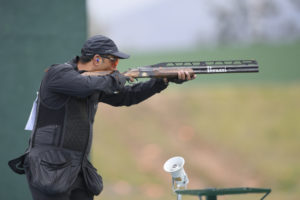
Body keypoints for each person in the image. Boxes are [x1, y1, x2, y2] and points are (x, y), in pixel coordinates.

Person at [9, 35, 195, 200]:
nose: (116, 67)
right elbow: (85, 85)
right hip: (49, 168)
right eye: (113, 62)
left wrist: (161, 82)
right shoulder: (59, 73)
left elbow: (128, 96)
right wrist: (119, 78)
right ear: (96, 59)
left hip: (77, 170)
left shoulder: (95, 84)